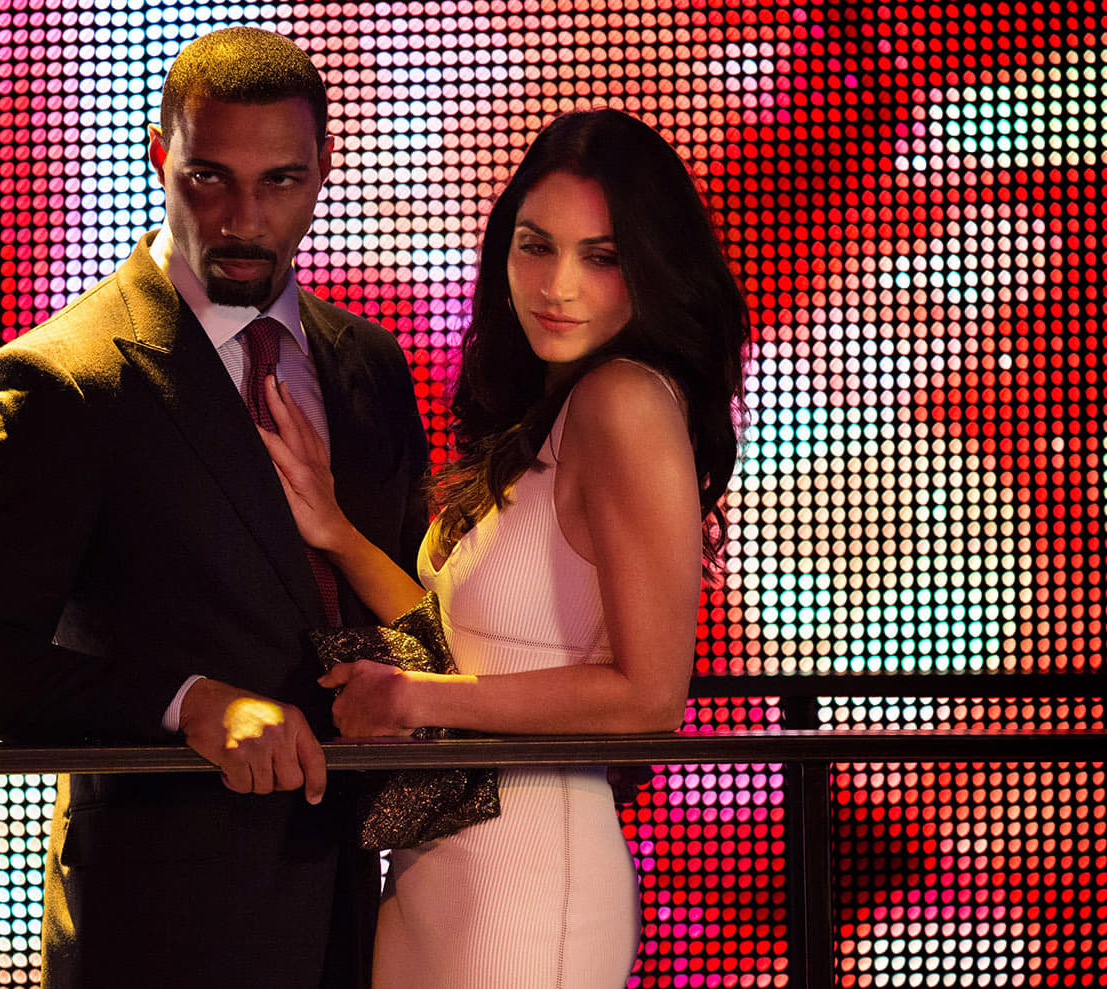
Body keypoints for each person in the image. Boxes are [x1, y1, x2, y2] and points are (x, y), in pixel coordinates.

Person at [0, 27, 431, 989]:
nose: (243, 219)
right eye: (209, 178)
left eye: (280, 181)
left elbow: (407, 611)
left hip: (358, 923)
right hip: (159, 934)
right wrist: (185, 702)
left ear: (324, 169)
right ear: (158, 156)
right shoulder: (61, 378)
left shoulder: (370, 364)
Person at [259, 108, 751, 987]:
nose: (558, 285)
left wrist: (414, 696)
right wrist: (335, 529)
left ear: (651, 267)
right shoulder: (556, 407)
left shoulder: (624, 401)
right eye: (536, 246)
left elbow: (650, 697)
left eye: (601, 257)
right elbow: (466, 639)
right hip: (439, 874)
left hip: (529, 882)